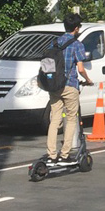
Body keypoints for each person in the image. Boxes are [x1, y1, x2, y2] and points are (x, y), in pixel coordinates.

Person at [45, 13, 92, 163]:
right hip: (70, 85)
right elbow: (80, 68)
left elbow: (47, 63)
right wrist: (88, 80)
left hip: (54, 86)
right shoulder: (77, 45)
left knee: (55, 120)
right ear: (76, 28)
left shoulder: (55, 43)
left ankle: (51, 154)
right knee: (71, 118)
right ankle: (65, 154)